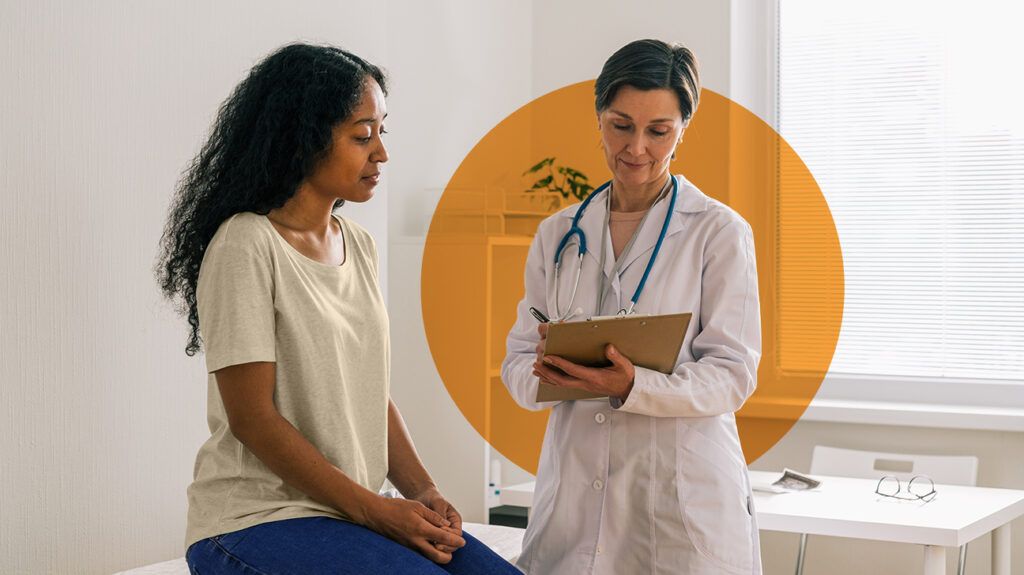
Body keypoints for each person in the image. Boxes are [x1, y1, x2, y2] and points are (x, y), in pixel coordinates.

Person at [156, 43, 520, 575]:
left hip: (345, 515)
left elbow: (371, 393)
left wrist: (422, 491)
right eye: (361, 135)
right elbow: (253, 419)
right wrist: (376, 511)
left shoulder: (359, 245)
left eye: (381, 132)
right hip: (255, 522)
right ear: (302, 139)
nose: (381, 153)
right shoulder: (246, 244)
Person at [502, 39, 762, 574]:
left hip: (679, 501)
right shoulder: (559, 234)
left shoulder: (717, 232)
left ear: (683, 129)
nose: (636, 147)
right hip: (574, 497)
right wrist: (548, 375)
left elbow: (732, 375)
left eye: (658, 131)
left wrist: (632, 386)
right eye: (621, 125)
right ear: (598, 118)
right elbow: (518, 358)